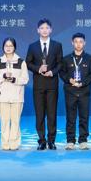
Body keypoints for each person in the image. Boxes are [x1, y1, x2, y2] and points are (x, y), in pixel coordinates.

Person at [25, 18, 63, 150]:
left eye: (47, 28)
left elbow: (60, 63)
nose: (44, 30)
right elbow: (28, 63)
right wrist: (38, 69)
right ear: (38, 30)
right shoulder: (33, 46)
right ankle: (41, 140)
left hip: (52, 84)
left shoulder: (57, 45)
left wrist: (52, 72)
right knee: (40, 114)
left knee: (52, 114)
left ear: (51, 30)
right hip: (38, 85)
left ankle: (51, 141)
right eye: (42, 28)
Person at [59, 32, 91, 150]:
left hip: (84, 92)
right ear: (72, 43)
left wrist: (83, 83)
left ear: (84, 43)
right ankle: (70, 141)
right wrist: (69, 79)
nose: (78, 44)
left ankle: (83, 140)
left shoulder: (90, 58)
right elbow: (62, 72)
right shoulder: (66, 59)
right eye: (76, 42)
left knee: (84, 117)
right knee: (70, 118)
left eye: (81, 42)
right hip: (70, 92)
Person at [0, 37, 29, 150]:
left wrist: (15, 80)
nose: (8, 48)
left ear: (14, 47)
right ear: (3, 47)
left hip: (17, 96)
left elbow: (25, 79)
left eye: (11, 46)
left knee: (15, 121)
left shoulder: (21, 62)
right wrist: (3, 76)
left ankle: (14, 143)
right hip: (3, 97)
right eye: (6, 46)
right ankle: (5, 143)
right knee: (4, 121)